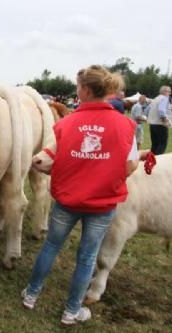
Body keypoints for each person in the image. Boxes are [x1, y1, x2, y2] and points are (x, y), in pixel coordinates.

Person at [22, 65, 139, 326]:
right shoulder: (126, 125)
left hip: (67, 200)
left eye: (77, 87)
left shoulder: (66, 124)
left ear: (85, 90)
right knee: (87, 257)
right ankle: (71, 311)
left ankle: (31, 294)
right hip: (102, 204)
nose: (76, 91)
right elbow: (131, 166)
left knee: (51, 245)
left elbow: (55, 157)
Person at [146, 85, 171, 155]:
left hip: (152, 125)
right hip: (160, 124)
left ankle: (150, 162)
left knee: (154, 145)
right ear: (165, 92)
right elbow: (161, 110)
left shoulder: (155, 99)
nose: (170, 93)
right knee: (162, 144)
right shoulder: (164, 98)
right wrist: (165, 120)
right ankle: (157, 162)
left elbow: (146, 110)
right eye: (169, 91)